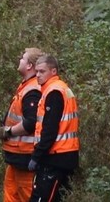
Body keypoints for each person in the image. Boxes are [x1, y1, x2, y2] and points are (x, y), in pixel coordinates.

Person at [28, 55, 79, 202]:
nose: (37, 75)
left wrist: (37, 156)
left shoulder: (54, 92)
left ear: (53, 71)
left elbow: (50, 130)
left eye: (42, 71)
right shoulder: (61, 89)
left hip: (56, 157)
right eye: (36, 71)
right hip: (65, 155)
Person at [0, 47, 44, 202]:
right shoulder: (26, 86)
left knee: (26, 196)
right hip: (16, 157)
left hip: (25, 156)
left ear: (29, 65)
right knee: (11, 196)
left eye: (22, 58)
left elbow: (31, 122)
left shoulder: (33, 90)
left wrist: (8, 131)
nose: (19, 60)